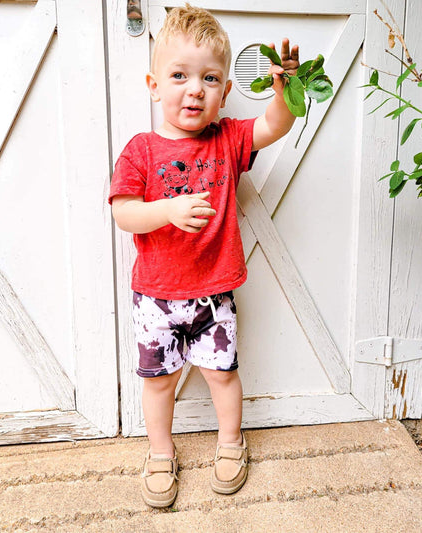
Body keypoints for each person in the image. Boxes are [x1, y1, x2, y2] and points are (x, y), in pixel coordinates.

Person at [109, 3, 299, 508]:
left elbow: (274, 126)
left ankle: (232, 443)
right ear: (154, 84)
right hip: (156, 297)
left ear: (224, 92)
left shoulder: (228, 138)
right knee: (158, 382)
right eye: (179, 75)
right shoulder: (140, 150)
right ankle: (158, 453)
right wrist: (167, 209)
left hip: (213, 294)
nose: (194, 89)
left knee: (222, 373)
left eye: (209, 78)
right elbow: (124, 213)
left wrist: (286, 91)